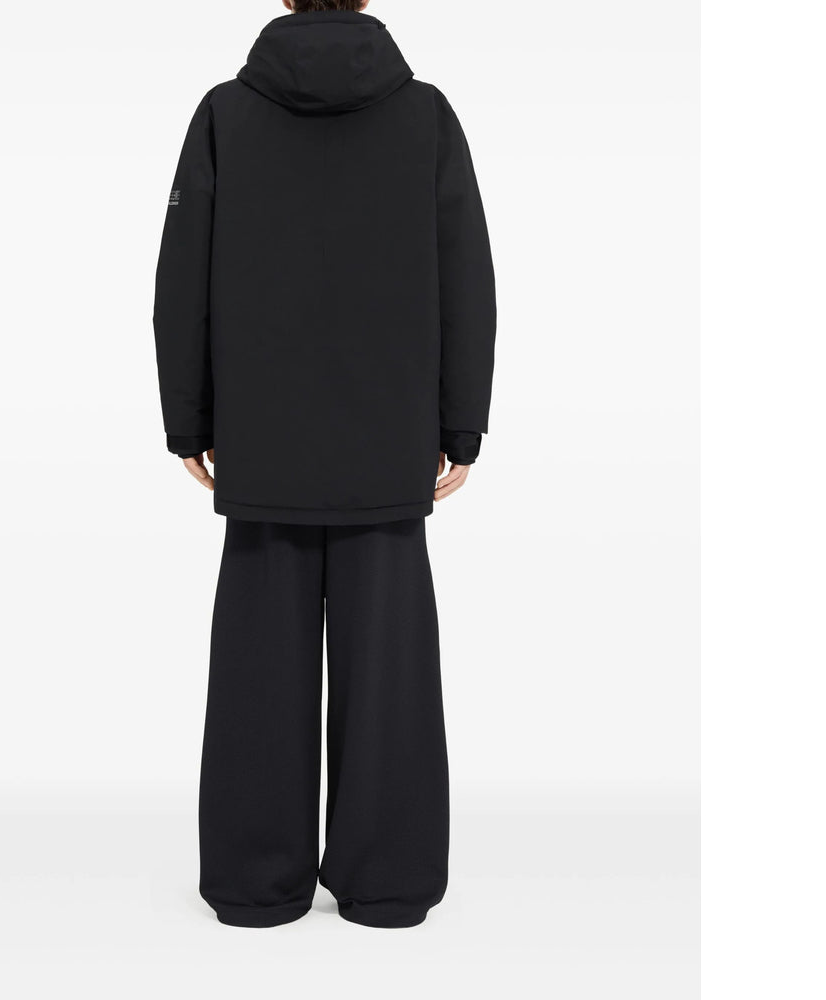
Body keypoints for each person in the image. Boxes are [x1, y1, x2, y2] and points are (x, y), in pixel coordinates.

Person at [153, 0, 496, 929]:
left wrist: (189, 422)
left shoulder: (226, 114)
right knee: (391, 679)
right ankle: (389, 883)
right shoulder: (424, 116)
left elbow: (181, 279)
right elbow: (466, 277)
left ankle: (253, 885)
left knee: (257, 672)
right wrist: (461, 425)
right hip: (388, 443)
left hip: (262, 443)